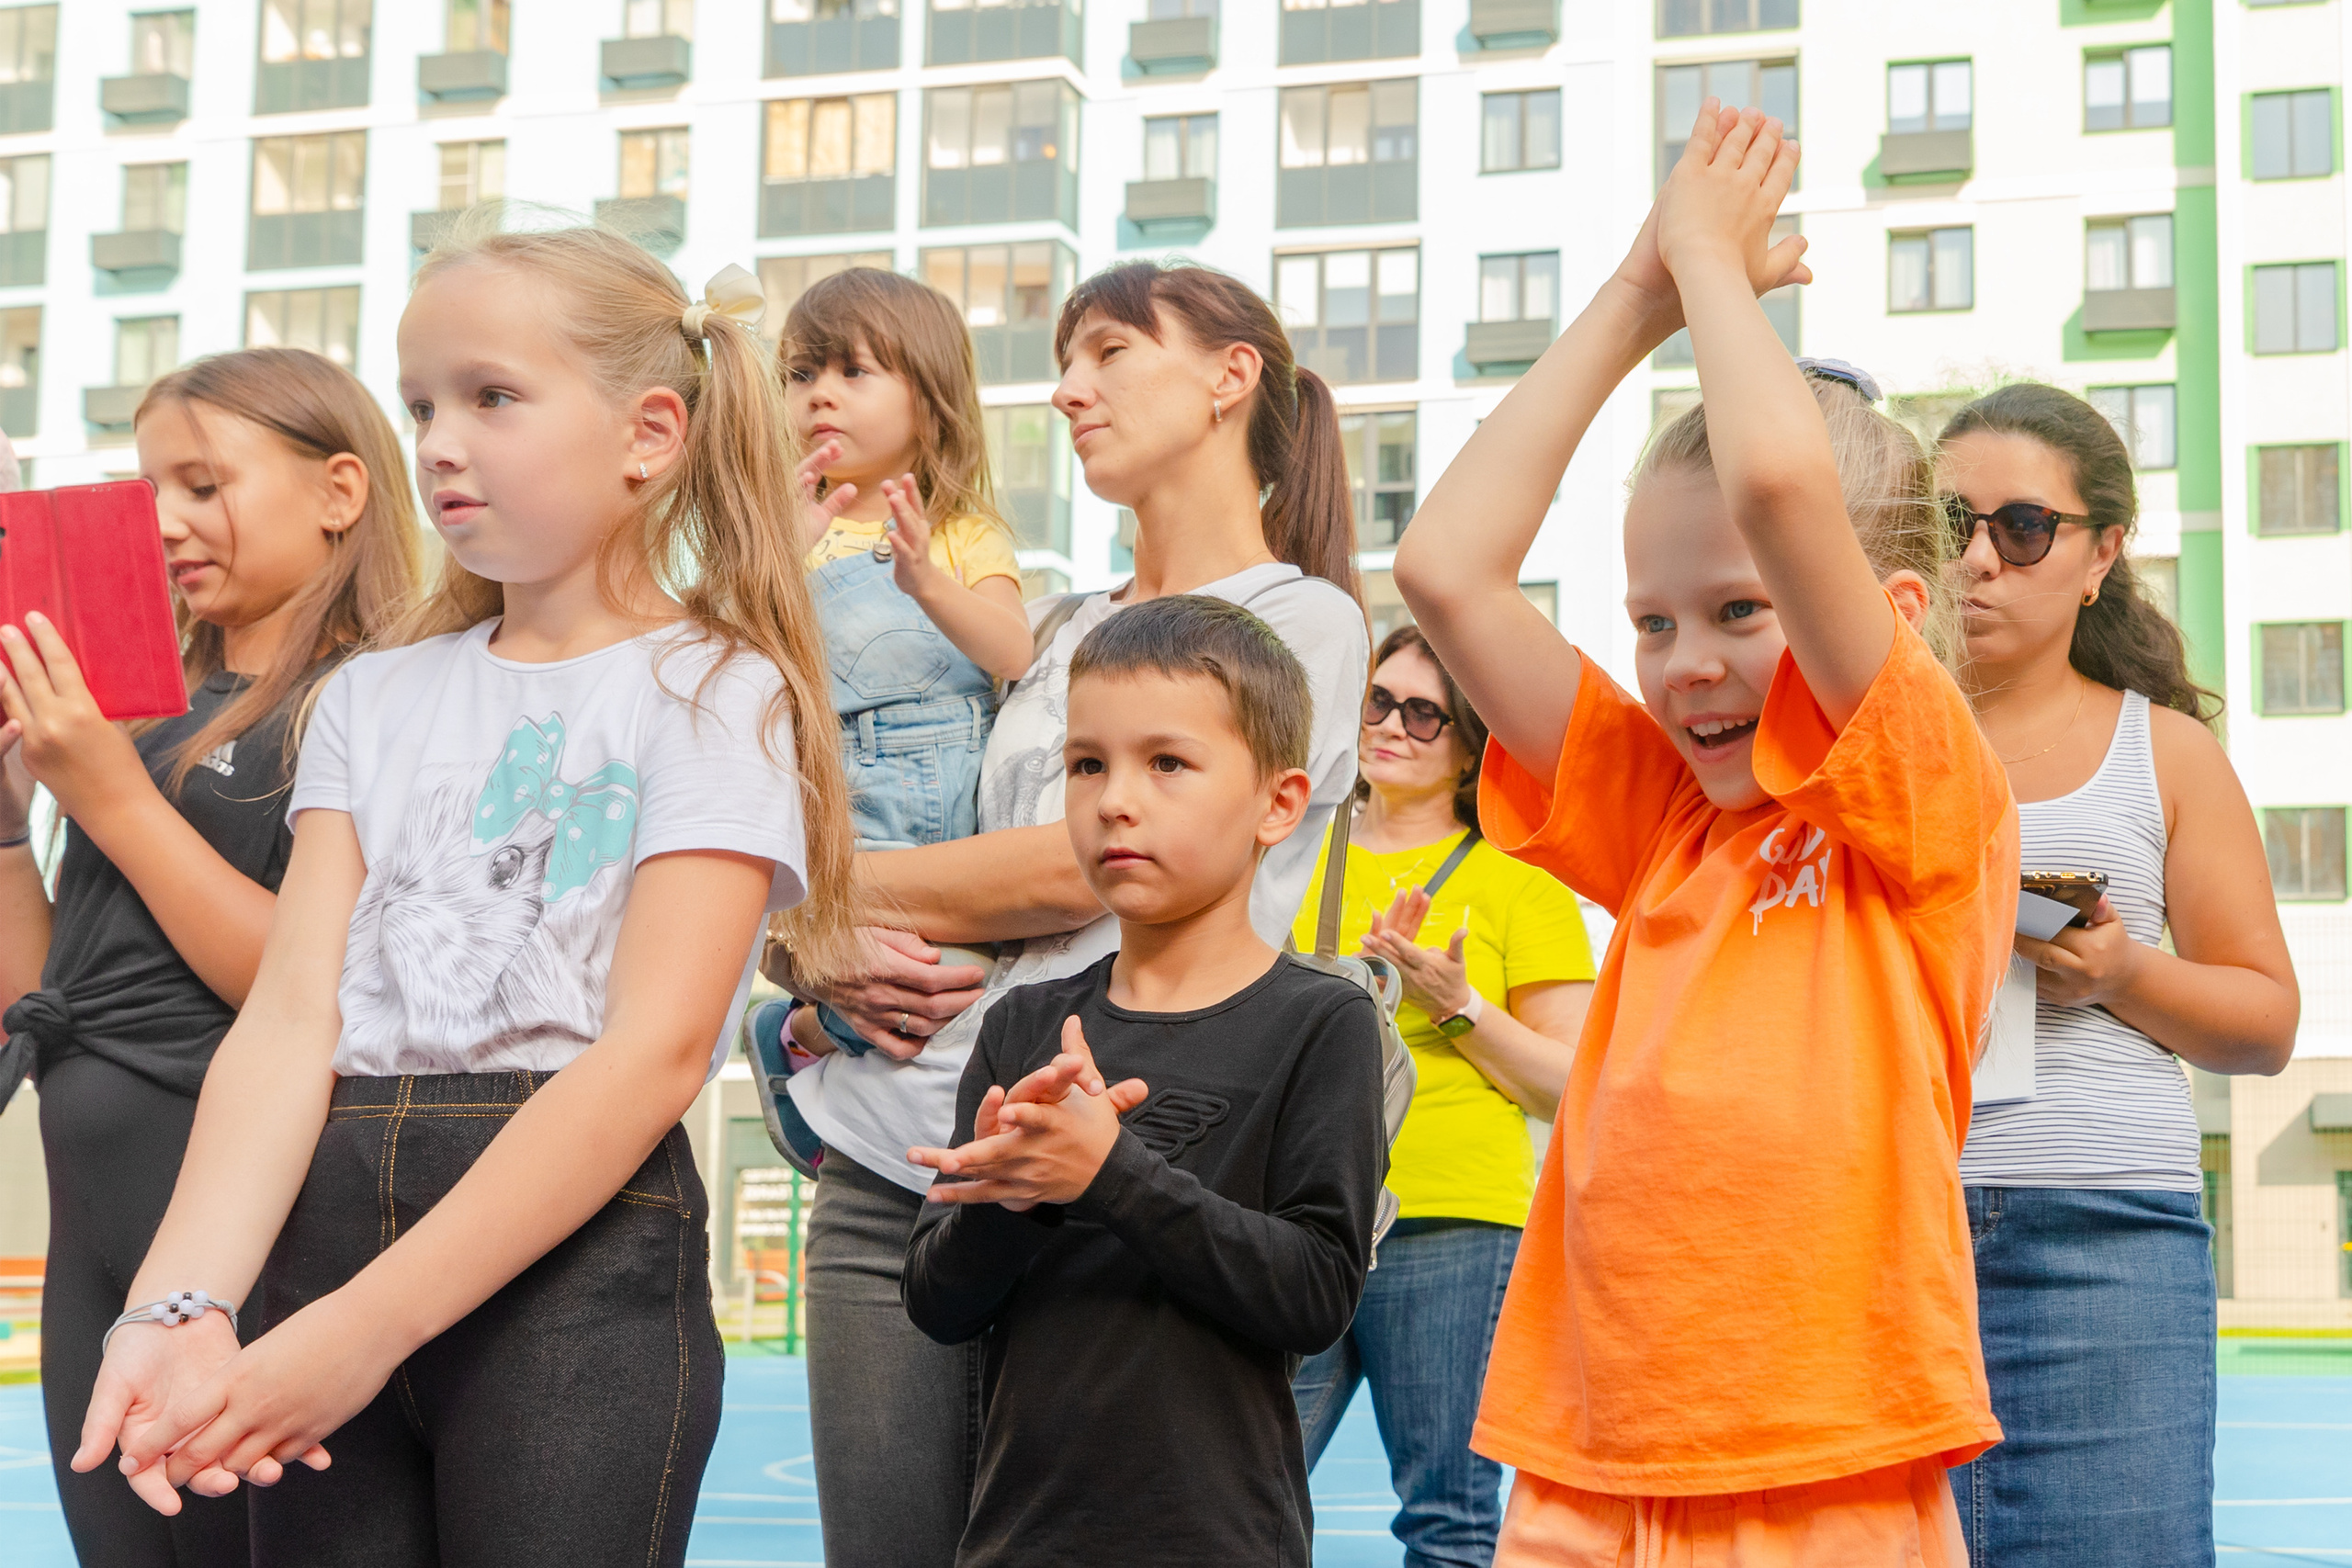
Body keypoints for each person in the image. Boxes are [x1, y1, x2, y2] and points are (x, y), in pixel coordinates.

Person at [68, 229, 855, 1568]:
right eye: (422, 400)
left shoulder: (718, 689)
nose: (435, 438)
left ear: (649, 433)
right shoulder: (372, 696)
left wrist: (361, 1330)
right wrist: (176, 1298)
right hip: (325, 1216)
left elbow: (652, 1052)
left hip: (573, 1260)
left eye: (489, 396)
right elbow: (289, 1019)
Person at [1396, 103, 2016, 1564]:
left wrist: (1714, 265)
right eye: (1652, 621)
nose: (1683, 666)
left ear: (1894, 619)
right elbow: (1446, 566)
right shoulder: (1671, 818)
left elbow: (1785, 489)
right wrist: (1637, 298)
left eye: (1742, 612)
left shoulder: (1921, 810)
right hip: (1592, 1447)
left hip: (1826, 1454)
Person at [768, 258, 1370, 1568]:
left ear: (1231, 375)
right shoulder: (1051, 631)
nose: (1067, 388)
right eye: (1064, 358)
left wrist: (804, 885)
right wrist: (799, 956)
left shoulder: (1299, 619)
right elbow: (926, 838)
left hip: (1121, 1170)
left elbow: (1068, 869)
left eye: (1106, 351)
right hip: (901, 1158)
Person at [0, 349, 424, 1568]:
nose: (168, 523)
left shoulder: (370, 702)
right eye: (148, 492)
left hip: (244, 1232)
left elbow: (313, 993)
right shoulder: (141, 705)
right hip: (90, 1229)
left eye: (203, 483)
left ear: (339, 488)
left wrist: (114, 799)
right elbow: (58, 993)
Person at [902, 594, 1387, 1567]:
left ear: (1278, 804)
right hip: (1020, 1541)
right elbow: (939, 1302)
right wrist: (1017, 1196)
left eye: (1166, 763)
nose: (1114, 799)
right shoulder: (1029, 1024)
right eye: (1088, 765)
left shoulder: (1322, 1022)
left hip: (1219, 1540)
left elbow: (1315, 1294)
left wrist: (1109, 1173)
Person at [1937, 384, 2298, 1567]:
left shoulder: (2167, 753)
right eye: (1947, 524)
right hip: (1887, 1233)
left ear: (2100, 554)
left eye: (2022, 527)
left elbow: (2264, 1020)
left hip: (2106, 1238)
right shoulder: (1861, 742)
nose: (1979, 558)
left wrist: (2120, 972)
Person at [1289, 623, 1595, 1568]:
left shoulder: (1520, 885)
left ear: (1471, 741)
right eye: (1378, 700)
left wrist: (1454, 1004)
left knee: (1447, 1518)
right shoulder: (1285, 857)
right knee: (1230, 1493)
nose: (1391, 724)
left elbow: (1576, 1086)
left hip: (1449, 1223)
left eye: (1424, 712)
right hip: (1295, 1217)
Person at [750, 267, 1027, 1171]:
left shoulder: (961, 531)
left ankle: (800, 1039)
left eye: (853, 372)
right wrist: (772, 561)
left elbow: (1013, 653)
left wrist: (927, 583)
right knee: (878, 973)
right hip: (830, 791)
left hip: (945, 798)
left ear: (930, 400)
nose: (820, 394)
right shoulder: (774, 530)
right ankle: (811, 1048)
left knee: (952, 986)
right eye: (801, 375)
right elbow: (724, 655)